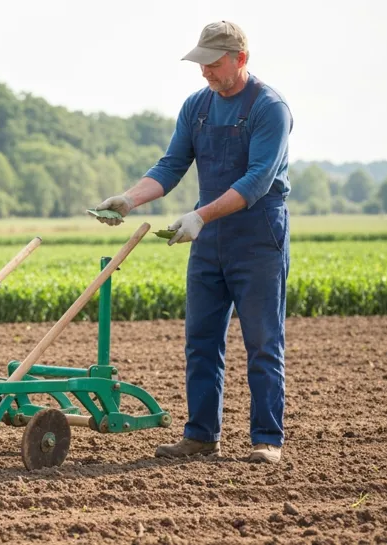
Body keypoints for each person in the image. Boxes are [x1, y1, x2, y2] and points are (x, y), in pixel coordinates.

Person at [93, 21, 293, 464]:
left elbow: (258, 181)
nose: (204, 71)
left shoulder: (269, 108)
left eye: (213, 63)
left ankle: (266, 440)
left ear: (240, 59)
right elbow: (170, 166)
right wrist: (128, 199)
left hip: (258, 237)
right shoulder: (197, 106)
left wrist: (200, 215)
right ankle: (201, 435)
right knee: (201, 339)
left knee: (262, 341)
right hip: (209, 237)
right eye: (201, 62)